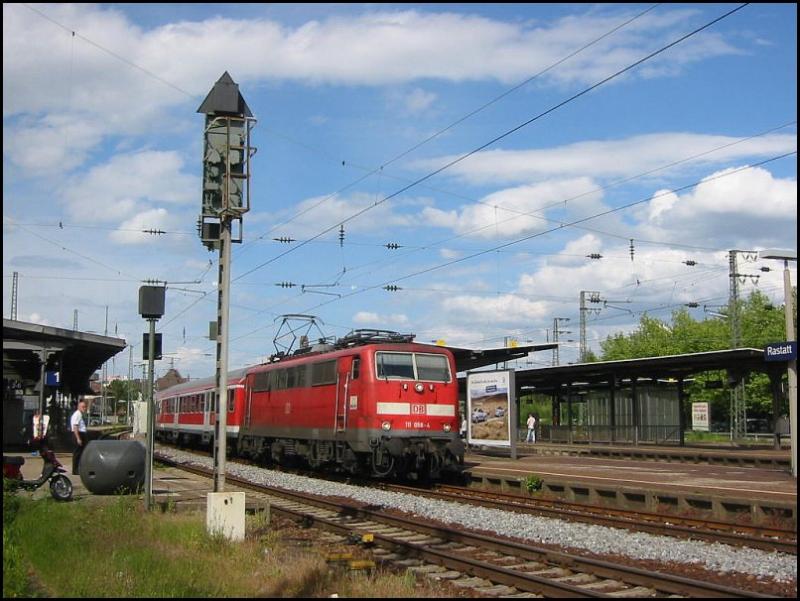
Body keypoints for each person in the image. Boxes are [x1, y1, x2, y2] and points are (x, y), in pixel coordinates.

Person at [71, 399, 88, 475]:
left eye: (85, 407)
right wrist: (78, 438)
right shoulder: (77, 414)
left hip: (81, 434)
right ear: (78, 407)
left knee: (81, 452)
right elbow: (75, 426)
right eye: (83, 407)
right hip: (78, 434)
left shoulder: (80, 414)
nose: (84, 408)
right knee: (77, 453)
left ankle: (79, 468)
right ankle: (75, 470)